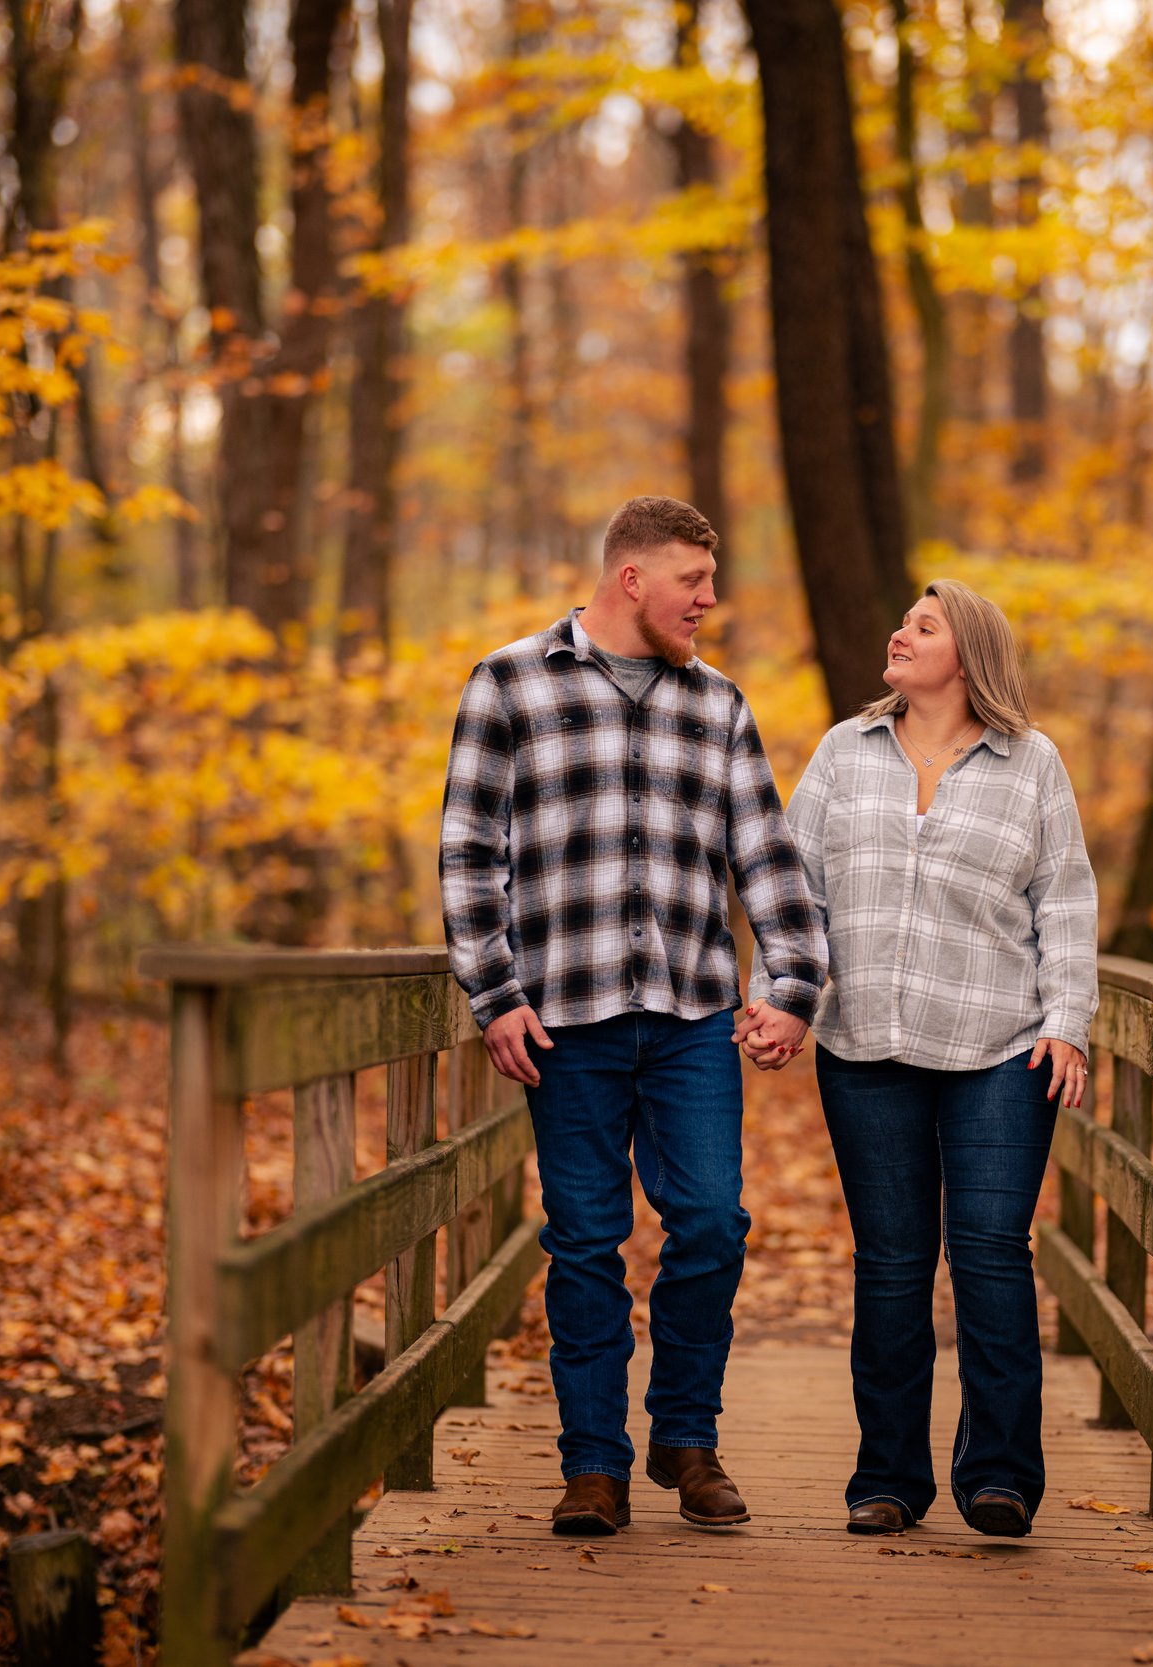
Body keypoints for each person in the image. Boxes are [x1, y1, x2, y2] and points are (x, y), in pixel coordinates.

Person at [440, 495, 824, 1537]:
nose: (710, 599)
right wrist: (495, 992)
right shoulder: (510, 684)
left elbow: (767, 859)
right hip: (563, 1020)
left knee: (709, 1220)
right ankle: (593, 1466)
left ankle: (686, 1436)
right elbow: (471, 853)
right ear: (631, 580)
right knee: (586, 1242)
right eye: (693, 581)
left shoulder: (720, 705)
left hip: (694, 1012)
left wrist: (789, 986)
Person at [737, 578, 1097, 1539]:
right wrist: (785, 996)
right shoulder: (844, 754)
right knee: (892, 1267)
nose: (899, 631)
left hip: (1001, 1047)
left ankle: (1001, 1475)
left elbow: (1063, 900)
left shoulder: (1032, 764)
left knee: (989, 1258)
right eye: (903, 619)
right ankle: (886, 1477)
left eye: (923, 625)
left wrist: (1069, 1019)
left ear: (969, 654)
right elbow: (791, 891)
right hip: (867, 1044)